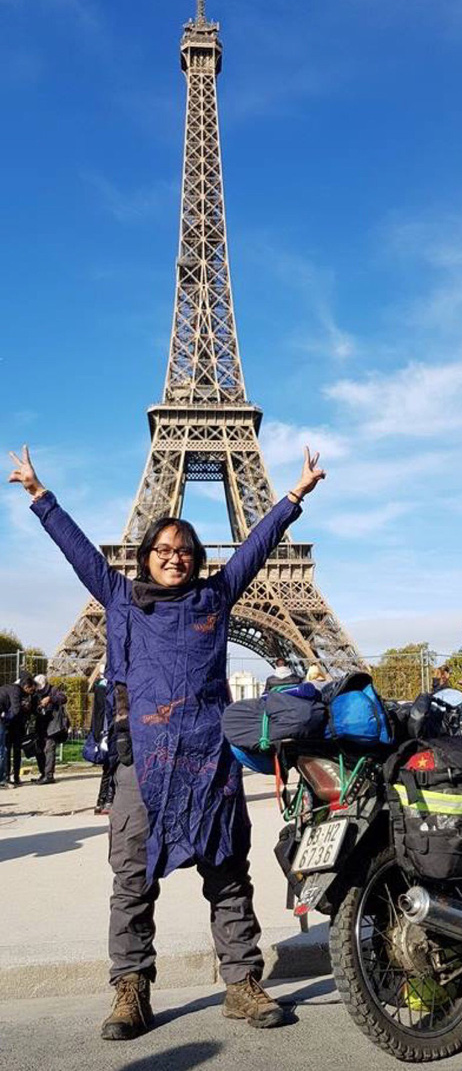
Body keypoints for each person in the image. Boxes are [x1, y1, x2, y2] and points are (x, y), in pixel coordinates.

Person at [9, 442, 326, 1040]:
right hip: (142, 762)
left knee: (229, 874)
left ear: (198, 559)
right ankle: (131, 989)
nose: (174, 559)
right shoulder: (122, 599)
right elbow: (78, 553)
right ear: (145, 558)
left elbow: (256, 549)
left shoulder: (217, 596)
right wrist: (39, 495)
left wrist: (293, 495)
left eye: (183, 552)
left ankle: (241, 984)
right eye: (162, 550)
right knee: (132, 879)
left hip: (210, 760)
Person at [31, 673, 69, 784]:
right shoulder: (35, 693)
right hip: (41, 724)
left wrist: (50, 699)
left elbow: (64, 698)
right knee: (39, 749)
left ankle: (49, 775)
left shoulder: (53, 690)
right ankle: (43, 773)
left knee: (49, 749)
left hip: (52, 726)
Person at [90, 665, 117, 814]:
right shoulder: (110, 688)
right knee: (113, 767)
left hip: (101, 732)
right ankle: (108, 801)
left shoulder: (98, 688)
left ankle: (100, 801)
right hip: (111, 731)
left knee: (107, 768)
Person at [0, 675, 34, 788]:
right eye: (31, 689)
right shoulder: (16, 690)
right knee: (6, 751)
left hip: (15, 726)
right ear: (26, 686)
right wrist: (5, 720)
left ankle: (12, 777)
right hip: (10, 724)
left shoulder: (16, 690)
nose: (31, 692)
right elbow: (15, 710)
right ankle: (6, 778)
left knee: (11, 751)